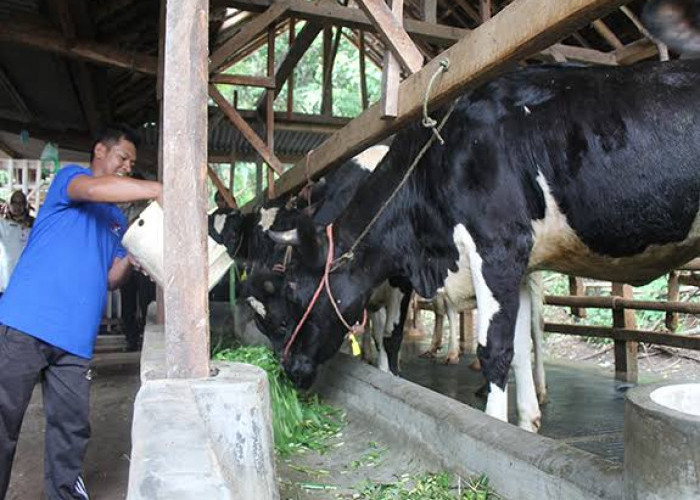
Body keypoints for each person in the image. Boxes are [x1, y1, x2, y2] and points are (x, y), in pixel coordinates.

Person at [0, 124, 162, 499]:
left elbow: (111, 278)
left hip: (75, 340)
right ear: (100, 152)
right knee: (4, 423)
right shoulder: (73, 179)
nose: (127, 167)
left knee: (71, 430)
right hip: (26, 323)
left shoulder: (117, 221)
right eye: (123, 158)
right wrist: (157, 189)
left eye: (132, 164)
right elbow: (94, 189)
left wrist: (135, 255)